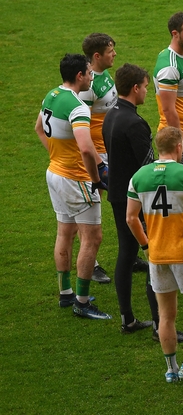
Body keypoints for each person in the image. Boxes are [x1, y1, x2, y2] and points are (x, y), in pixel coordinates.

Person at [126, 126, 183, 386]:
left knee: (166, 316)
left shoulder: (138, 177)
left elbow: (131, 218)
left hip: (157, 255)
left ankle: (171, 370)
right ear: (179, 147)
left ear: (158, 147)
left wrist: (146, 246)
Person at [34, 53, 111, 319]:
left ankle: (65, 294)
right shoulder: (77, 106)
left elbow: (38, 129)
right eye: (89, 73)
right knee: (92, 238)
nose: (92, 77)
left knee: (64, 232)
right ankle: (82, 302)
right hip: (75, 179)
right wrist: (96, 178)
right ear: (80, 75)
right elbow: (87, 149)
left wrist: (56, 156)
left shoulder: (51, 96)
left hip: (54, 174)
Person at [102, 63, 157, 334]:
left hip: (116, 194)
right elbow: (149, 165)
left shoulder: (110, 114)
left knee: (126, 253)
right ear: (135, 88)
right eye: (146, 86)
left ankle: (128, 319)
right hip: (138, 199)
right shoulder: (135, 123)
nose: (148, 91)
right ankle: (161, 323)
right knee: (152, 250)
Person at [80, 33, 118, 284]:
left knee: (120, 200)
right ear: (97, 56)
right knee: (92, 208)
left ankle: (132, 252)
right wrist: (96, 160)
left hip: (112, 149)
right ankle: (90, 263)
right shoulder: (88, 87)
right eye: (110, 51)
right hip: (97, 153)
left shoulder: (105, 76)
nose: (114, 54)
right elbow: (81, 127)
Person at [154, 12, 183, 154]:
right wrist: (181, 141)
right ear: (175, 34)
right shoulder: (170, 67)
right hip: (176, 136)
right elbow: (168, 109)